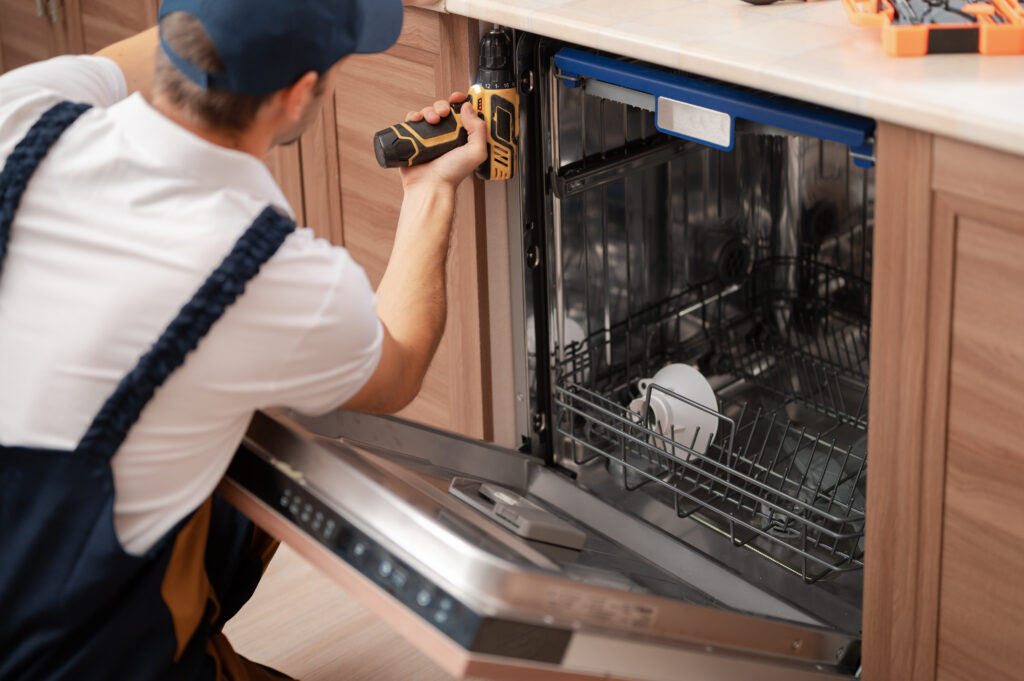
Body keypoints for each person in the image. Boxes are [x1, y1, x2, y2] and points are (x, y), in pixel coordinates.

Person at [0, 0, 487, 678]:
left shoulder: (21, 112)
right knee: (273, 443)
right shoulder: (262, 273)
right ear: (295, 99)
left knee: (249, 455)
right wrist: (430, 186)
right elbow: (398, 361)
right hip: (68, 664)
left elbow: (162, 49)